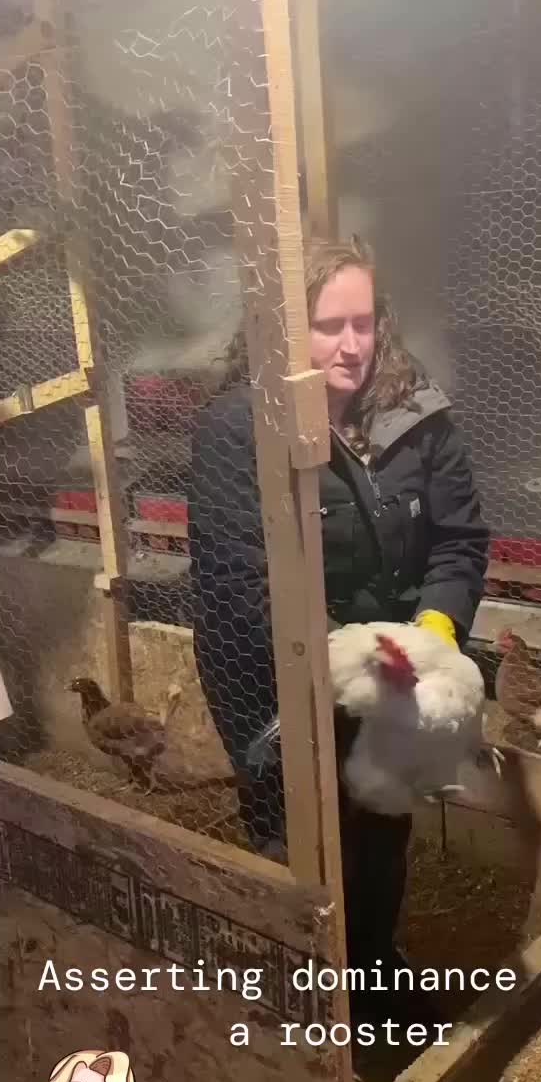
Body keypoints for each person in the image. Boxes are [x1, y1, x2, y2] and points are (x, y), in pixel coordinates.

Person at [188, 235, 489, 1037]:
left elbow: (459, 540)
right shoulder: (237, 430)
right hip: (274, 675)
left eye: (363, 321)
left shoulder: (415, 416)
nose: (351, 344)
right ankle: (303, 1008)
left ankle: (375, 974)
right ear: (282, 330)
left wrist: (430, 633)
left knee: (383, 818)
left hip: (388, 666)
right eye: (328, 325)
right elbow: (243, 581)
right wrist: (358, 666)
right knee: (303, 844)